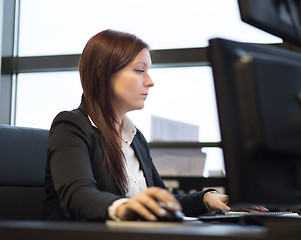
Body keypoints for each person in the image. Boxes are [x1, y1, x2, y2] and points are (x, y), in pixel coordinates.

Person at [42, 29, 266, 222]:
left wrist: (207, 199)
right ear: (103, 71)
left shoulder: (134, 137)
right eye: (140, 70)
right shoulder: (71, 126)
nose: (150, 81)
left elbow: (163, 199)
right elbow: (78, 196)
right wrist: (124, 207)